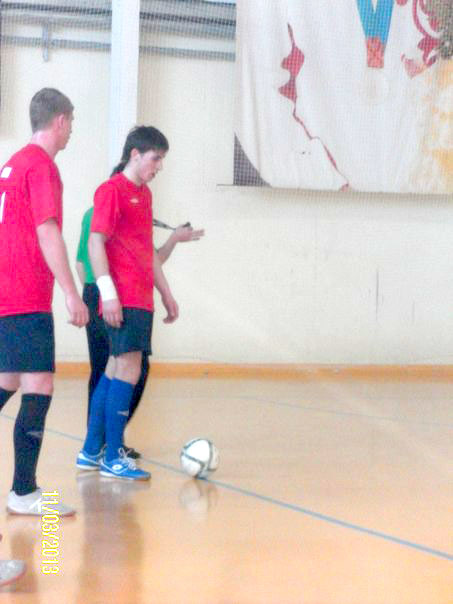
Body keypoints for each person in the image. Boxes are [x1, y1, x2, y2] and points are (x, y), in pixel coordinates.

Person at [0, 88, 89, 520]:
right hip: (24, 295)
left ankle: (24, 490)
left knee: (10, 379)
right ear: (60, 120)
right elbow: (47, 229)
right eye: (71, 122)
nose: (71, 131)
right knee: (39, 385)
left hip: (8, 291)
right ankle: (24, 491)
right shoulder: (41, 167)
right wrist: (71, 292)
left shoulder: (13, 163)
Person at [76, 125, 179, 480]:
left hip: (141, 296)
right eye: (155, 158)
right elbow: (95, 243)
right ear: (135, 155)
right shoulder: (111, 190)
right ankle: (113, 456)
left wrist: (165, 292)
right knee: (129, 370)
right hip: (124, 297)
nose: (159, 166)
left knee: (113, 369)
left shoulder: (144, 195)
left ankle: (92, 450)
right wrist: (108, 294)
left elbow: (146, 251)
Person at [75, 211, 203, 458]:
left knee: (120, 368)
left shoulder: (116, 212)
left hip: (110, 294)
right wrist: (95, 297)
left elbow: (149, 260)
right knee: (115, 367)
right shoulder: (105, 211)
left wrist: (173, 240)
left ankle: (103, 441)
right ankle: (102, 443)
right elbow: (85, 260)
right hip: (108, 294)